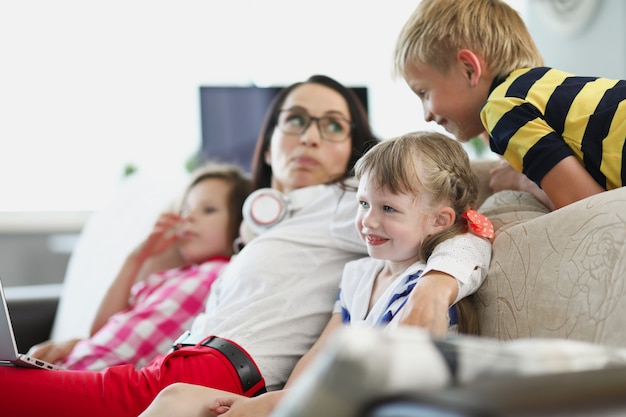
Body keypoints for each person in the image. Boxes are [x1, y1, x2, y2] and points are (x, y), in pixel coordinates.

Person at [0, 74, 489, 417]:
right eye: (294, 120)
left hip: (222, 369)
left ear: (353, 149)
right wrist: (87, 350)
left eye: (333, 125)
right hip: (178, 365)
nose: (310, 138)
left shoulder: (351, 204)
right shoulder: (262, 221)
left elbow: (467, 224)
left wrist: (436, 286)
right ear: (270, 137)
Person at [137, 131, 493, 417]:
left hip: (370, 403)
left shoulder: (424, 284)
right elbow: (319, 353)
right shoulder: (359, 274)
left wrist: (270, 405)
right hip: (318, 399)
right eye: (364, 204)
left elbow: (382, 385)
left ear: (440, 220)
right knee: (177, 396)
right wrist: (278, 403)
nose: (368, 220)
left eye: (388, 208)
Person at [393, 0, 626, 210]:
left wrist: (521, 181)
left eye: (424, 93)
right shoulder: (539, 89)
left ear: (469, 69)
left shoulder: (502, 108)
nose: (426, 115)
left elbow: (585, 205)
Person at [27, 161, 251, 371]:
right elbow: (100, 331)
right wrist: (135, 258)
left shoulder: (225, 274)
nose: (188, 217)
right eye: (184, 210)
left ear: (241, 222)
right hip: (73, 368)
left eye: (208, 210)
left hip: (94, 380)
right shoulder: (169, 277)